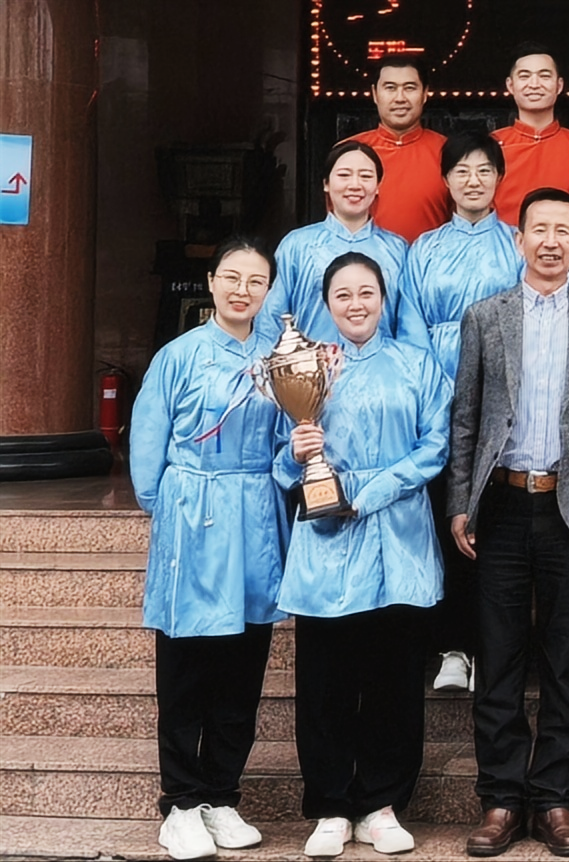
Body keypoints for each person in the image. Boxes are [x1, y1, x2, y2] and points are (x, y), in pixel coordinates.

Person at [448, 188, 569, 858]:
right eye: (539, 230)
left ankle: (555, 799)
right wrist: (460, 502)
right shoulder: (485, 316)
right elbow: (466, 416)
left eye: (563, 231)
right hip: (501, 504)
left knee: (565, 659)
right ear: (518, 239)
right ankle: (500, 800)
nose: (551, 241)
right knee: (498, 658)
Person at [274, 251, 452, 858]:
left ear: (383, 298)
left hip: (397, 533)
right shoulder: (307, 366)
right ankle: (329, 804)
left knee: (392, 678)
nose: (356, 304)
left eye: (366, 292)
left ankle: (382, 802)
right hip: (326, 536)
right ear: (327, 304)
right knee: (325, 679)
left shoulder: (416, 363)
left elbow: (435, 445)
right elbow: (279, 460)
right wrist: (298, 453)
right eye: (343, 295)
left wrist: (371, 491)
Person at [130, 237, 286, 860]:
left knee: (244, 665)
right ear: (212, 282)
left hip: (255, 514)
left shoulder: (278, 358)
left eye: (256, 281)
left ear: (268, 291)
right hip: (194, 511)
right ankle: (180, 800)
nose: (243, 290)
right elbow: (149, 441)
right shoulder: (179, 355)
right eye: (232, 277)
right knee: (187, 664)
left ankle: (222, 794)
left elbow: (289, 437)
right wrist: (167, 507)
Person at [397, 130, 521, 692]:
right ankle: (452, 645)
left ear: (499, 178)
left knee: (492, 522)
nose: (473, 181)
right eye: (462, 171)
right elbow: (411, 326)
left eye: (484, 170)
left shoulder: (516, 243)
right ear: (445, 180)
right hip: (439, 396)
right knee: (446, 515)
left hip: (502, 400)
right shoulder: (422, 249)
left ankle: (496, 645)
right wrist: (435, 391)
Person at [258, 142, 410, 349]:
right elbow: (272, 317)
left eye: (365, 176)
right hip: (311, 366)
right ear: (326, 184)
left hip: (381, 365)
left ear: (377, 186)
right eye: (344, 175)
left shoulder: (397, 249)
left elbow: (408, 322)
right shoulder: (297, 245)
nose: (355, 185)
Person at [492, 43, 569, 226]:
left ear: (559, 85)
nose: (534, 84)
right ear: (510, 85)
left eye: (544, 76)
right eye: (524, 76)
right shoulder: (490, 146)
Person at [347, 53, 449, 242]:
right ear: (375, 94)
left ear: (425, 94)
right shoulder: (348, 153)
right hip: (362, 260)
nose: (400, 98)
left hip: (433, 260)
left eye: (410, 88)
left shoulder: (448, 152)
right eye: (390, 88)